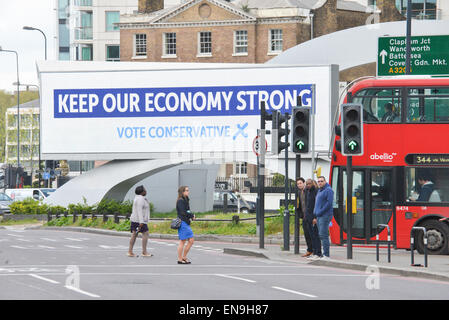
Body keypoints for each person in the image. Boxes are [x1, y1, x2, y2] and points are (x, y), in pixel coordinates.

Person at [128, 185, 152, 257]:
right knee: (145, 233)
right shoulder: (140, 199)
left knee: (134, 235)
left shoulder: (139, 198)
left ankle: (130, 251)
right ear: (141, 192)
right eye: (144, 190)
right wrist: (141, 222)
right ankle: (144, 252)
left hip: (136, 220)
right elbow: (139, 211)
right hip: (139, 220)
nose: (146, 191)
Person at [313, 176, 334, 259]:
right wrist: (316, 213)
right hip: (319, 216)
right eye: (318, 181)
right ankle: (322, 254)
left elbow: (329, 203)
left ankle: (326, 255)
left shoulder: (328, 190)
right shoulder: (320, 190)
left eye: (321, 181)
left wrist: (320, 211)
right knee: (321, 235)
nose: (320, 182)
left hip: (325, 215)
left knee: (324, 235)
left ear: (325, 181)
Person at [176, 186, 195, 264]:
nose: (188, 192)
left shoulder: (185, 199)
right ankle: (180, 259)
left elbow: (187, 210)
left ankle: (183, 257)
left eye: (188, 190)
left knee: (191, 240)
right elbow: (183, 212)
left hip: (186, 222)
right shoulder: (180, 201)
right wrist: (191, 215)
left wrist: (191, 215)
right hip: (183, 222)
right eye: (186, 190)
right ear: (182, 192)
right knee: (183, 241)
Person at [305, 179, 322, 259]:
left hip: (313, 217)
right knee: (312, 236)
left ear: (312, 183)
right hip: (308, 217)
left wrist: (315, 217)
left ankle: (318, 253)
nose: (308, 185)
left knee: (315, 236)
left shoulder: (315, 191)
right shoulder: (308, 192)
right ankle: (314, 252)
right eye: (307, 184)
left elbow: (316, 205)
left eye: (309, 183)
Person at [296, 178, 312, 257]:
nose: (299, 185)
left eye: (300, 183)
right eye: (298, 184)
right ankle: (309, 250)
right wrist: (300, 215)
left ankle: (312, 250)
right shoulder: (299, 192)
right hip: (304, 216)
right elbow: (299, 204)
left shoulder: (307, 191)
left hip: (309, 216)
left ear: (304, 183)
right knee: (306, 233)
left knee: (310, 233)